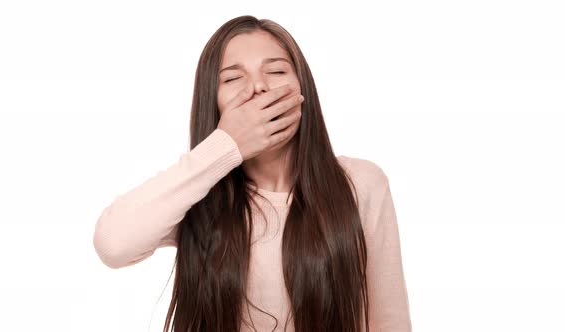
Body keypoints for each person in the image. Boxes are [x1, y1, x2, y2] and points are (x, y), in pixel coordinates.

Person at [92, 15, 412, 332]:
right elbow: (113, 243)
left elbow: (389, 321)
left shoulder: (361, 183)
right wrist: (226, 145)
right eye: (232, 79)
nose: (258, 87)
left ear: (304, 91)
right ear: (213, 101)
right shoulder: (197, 194)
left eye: (275, 71)